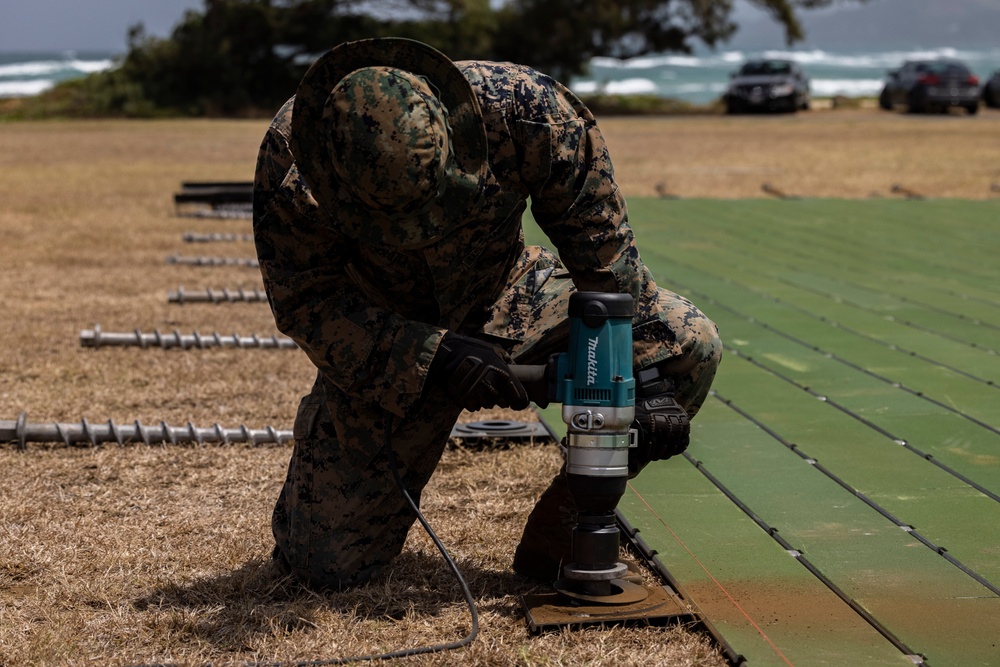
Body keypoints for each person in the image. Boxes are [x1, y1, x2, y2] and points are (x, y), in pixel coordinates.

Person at [252, 37, 722, 591]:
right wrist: (432, 355)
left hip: (511, 296)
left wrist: (634, 381)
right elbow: (308, 304)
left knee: (686, 343)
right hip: (389, 336)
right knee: (326, 567)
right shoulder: (292, 160)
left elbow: (610, 274)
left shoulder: (530, 113)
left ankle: (569, 529)